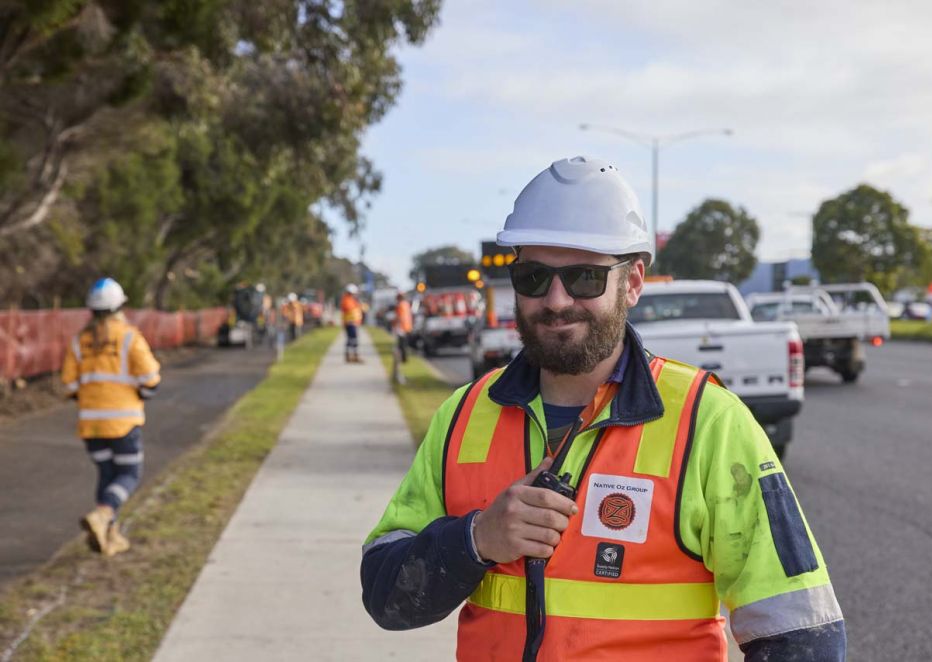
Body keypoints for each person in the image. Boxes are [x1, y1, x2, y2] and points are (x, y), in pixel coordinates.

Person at [361, 157, 846, 660]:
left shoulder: (708, 422)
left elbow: (803, 635)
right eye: (532, 277)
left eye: (585, 278)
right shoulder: (463, 416)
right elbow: (386, 598)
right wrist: (476, 539)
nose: (555, 300)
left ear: (632, 282)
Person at [61, 277, 161, 557]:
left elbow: (69, 384)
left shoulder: (80, 341)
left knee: (106, 474)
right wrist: (141, 391)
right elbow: (151, 378)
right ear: (120, 306)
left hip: (90, 424)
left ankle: (109, 537)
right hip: (123, 422)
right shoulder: (129, 336)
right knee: (129, 474)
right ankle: (103, 516)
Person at [340, 284, 364, 363]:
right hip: (350, 322)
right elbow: (349, 309)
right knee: (352, 339)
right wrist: (357, 305)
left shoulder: (351, 299)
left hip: (353, 323)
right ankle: (351, 355)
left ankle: (353, 355)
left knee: (353, 339)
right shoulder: (347, 300)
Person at [393, 292, 414, 363]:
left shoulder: (400, 305)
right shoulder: (406, 304)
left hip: (402, 327)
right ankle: (403, 358)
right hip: (407, 326)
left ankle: (403, 359)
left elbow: (399, 317)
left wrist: (395, 326)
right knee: (404, 343)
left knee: (401, 344)